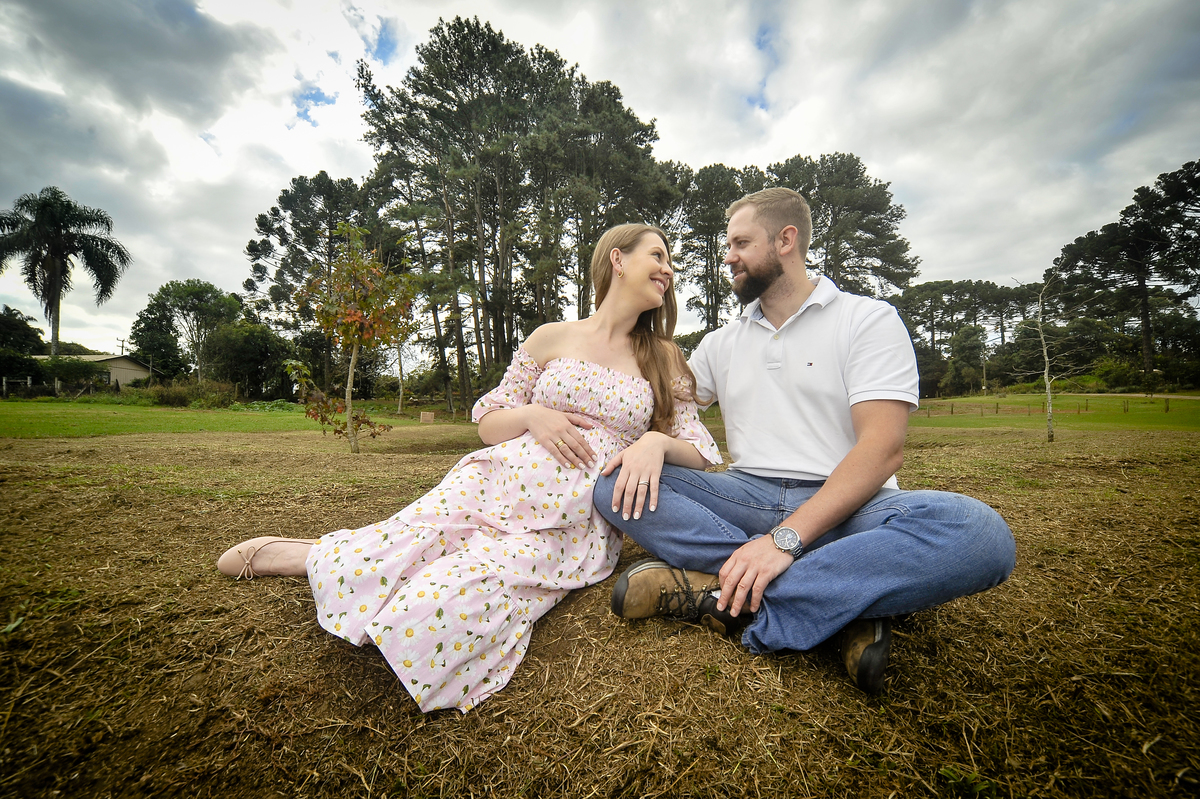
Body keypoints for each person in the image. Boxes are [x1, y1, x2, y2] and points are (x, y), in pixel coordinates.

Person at [217, 223, 721, 713]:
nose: (668, 269)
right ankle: (321, 556)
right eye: (658, 255)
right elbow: (489, 422)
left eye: (671, 261)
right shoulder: (550, 337)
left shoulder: (664, 357)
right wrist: (532, 415)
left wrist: (655, 441)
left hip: (570, 520)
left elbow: (700, 451)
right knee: (417, 539)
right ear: (618, 259)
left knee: (454, 594)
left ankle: (360, 573)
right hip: (493, 482)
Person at [596, 188, 1016, 694]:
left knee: (981, 533)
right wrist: (640, 437)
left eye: (741, 243)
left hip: (850, 507)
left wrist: (785, 541)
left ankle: (720, 592)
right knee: (614, 483)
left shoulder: (867, 319)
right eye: (728, 246)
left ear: (786, 241)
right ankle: (843, 600)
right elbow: (647, 399)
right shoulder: (719, 344)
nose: (728, 257)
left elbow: (882, 448)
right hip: (745, 496)